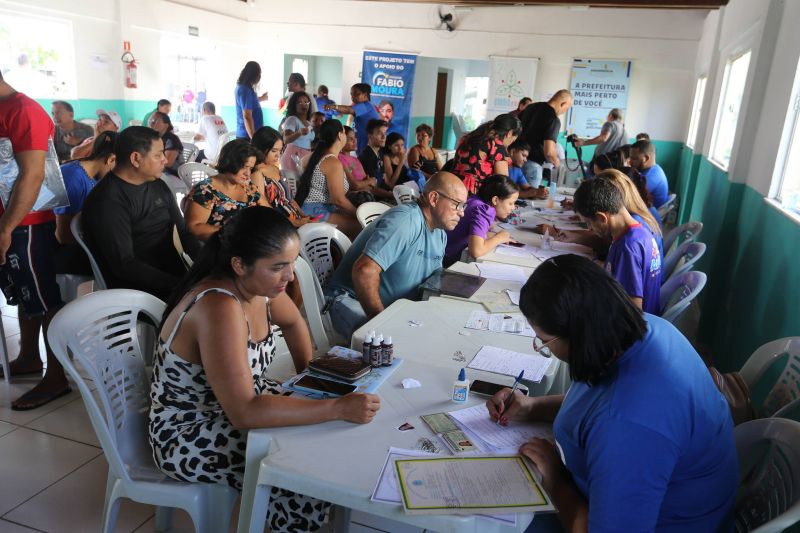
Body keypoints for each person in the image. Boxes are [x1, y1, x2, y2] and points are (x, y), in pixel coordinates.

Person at [149, 206, 380, 533]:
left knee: (325, 435)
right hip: (191, 429)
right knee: (300, 463)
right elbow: (244, 413)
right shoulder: (219, 306)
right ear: (239, 264)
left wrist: (309, 380)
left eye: (292, 263)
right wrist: (335, 406)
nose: (290, 276)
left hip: (238, 402)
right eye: (279, 267)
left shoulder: (260, 287)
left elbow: (295, 323)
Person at [487, 254, 737, 533]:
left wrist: (556, 480)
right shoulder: (643, 331)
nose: (543, 348)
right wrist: (532, 407)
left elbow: (618, 418)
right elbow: (596, 404)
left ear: (579, 336)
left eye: (545, 341)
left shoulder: (630, 424)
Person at [325, 172, 467, 339]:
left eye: (463, 206)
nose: (462, 213)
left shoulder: (439, 232)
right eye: (457, 205)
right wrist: (383, 321)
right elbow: (364, 272)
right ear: (434, 199)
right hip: (350, 301)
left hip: (395, 308)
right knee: (397, 344)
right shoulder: (406, 221)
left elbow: (433, 280)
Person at [0, 72, 69, 410]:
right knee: (24, 294)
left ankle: (56, 376)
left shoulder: (23, 110)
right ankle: (28, 357)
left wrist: (6, 228)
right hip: (8, 223)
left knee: (43, 298)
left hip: (24, 224)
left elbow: (33, 173)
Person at [82, 126, 199, 302]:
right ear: (136, 158)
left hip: (173, 270)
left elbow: (183, 232)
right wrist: (181, 285)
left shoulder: (156, 184)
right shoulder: (107, 201)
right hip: (139, 288)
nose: (166, 161)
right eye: (158, 155)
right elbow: (125, 265)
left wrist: (204, 268)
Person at [573, 176, 662, 313]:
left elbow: (632, 311)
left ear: (602, 217)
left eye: (589, 223)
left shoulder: (627, 248)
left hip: (634, 327)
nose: (589, 228)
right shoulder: (639, 233)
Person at [54, 132, 117, 276]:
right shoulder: (72, 178)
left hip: (77, 241)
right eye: (118, 167)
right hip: (56, 249)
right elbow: (63, 236)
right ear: (110, 159)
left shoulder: (94, 176)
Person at [185, 140, 265, 240]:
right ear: (230, 162)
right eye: (244, 167)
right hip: (222, 246)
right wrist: (234, 232)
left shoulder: (248, 187)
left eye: (250, 168)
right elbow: (194, 227)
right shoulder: (205, 190)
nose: (248, 174)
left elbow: (268, 212)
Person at [295, 119, 361, 239]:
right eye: (345, 132)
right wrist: (359, 214)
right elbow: (338, 200)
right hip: (316, 211)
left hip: (307, 207)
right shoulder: (332, 162)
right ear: (340, 136)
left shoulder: (313, 157)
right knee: (361, 227)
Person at [444, 175, 519, 266]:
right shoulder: (484, 210)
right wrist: (499, 238)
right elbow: (476, 251)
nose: (513, 207)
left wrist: (494, 235)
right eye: (510, 203)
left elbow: (467, 231)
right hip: (447, 261)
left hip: (442, 251)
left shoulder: (473, 199)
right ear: (495, 200)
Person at [250, 126, 312, 226]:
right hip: (278, 224)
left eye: (280, 151)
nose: (278, 155)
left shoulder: (275, 168)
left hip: (294, 219)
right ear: (260, 148)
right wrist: (294, 222)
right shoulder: (257, 174)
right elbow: (264, 207)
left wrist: (304, 216)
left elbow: (289, 199)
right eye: (274, 151)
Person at [452, 113, 521, 194]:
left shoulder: (468, 138)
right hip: (473, 195)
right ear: (509, 133)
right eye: (513, 140)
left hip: (453, 186)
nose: (510, 144)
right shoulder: (496, 146)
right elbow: (503, 183)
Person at [517, 90, 573, 187]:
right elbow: (549, 152)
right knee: (529, 200)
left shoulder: (531, 107)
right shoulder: (553, 119)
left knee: (511, 199)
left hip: (516, 161)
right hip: (532, 165)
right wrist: (557, 162)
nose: (564, 112)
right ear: (563, 104)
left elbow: (515, 130)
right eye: (567, 109)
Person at [325, 83, 381, 152]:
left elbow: (348, 110)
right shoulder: (362, 106)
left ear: (365, 95)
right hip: (362, 146)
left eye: (356, 94)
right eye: (351, 94)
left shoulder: (366, 106)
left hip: (366, 148)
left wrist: (333, 106)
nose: (353, 97)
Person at [280, 91, 315, 179]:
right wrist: (299, 133)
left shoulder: (309, 123)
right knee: (293, 187)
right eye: (299, 102)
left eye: (306, 102)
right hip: (293, 156)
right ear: (294, 105)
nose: (303, 104)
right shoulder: (292, 120)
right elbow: (286, 139)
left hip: (305, 157)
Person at [630, 139, 669, 208]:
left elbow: (630, 196)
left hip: (650, 214)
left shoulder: (651, 176)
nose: (630, 162)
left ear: (646, 158)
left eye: (634, 158)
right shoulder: (654, 169)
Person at [339, 126, 377, 195]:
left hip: (364, 194)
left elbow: (368, 182)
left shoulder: (355, 159)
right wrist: (370, 181)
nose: (355, 141)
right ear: (342, 140)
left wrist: (367, 182)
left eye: (355, 137)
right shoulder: (340, 158)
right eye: (350, 139)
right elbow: (355, 185)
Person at [235, 61, 268, 140]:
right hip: (247, 136)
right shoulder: (245, 90)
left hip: (250, 135)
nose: (259, 77)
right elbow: (247, 116)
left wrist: (261, 98)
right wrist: (253, 138)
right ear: (253, 75)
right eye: (259, 74)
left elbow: (250, 103)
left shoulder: (245, 88)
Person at [148, 111, 184, 176]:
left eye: (155, 121)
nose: (152, 123)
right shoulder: (155, 138)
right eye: (151, 120)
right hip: (160, 171)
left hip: (173, 175)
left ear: (166, 125)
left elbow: (168, 163)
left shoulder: (172, 139)